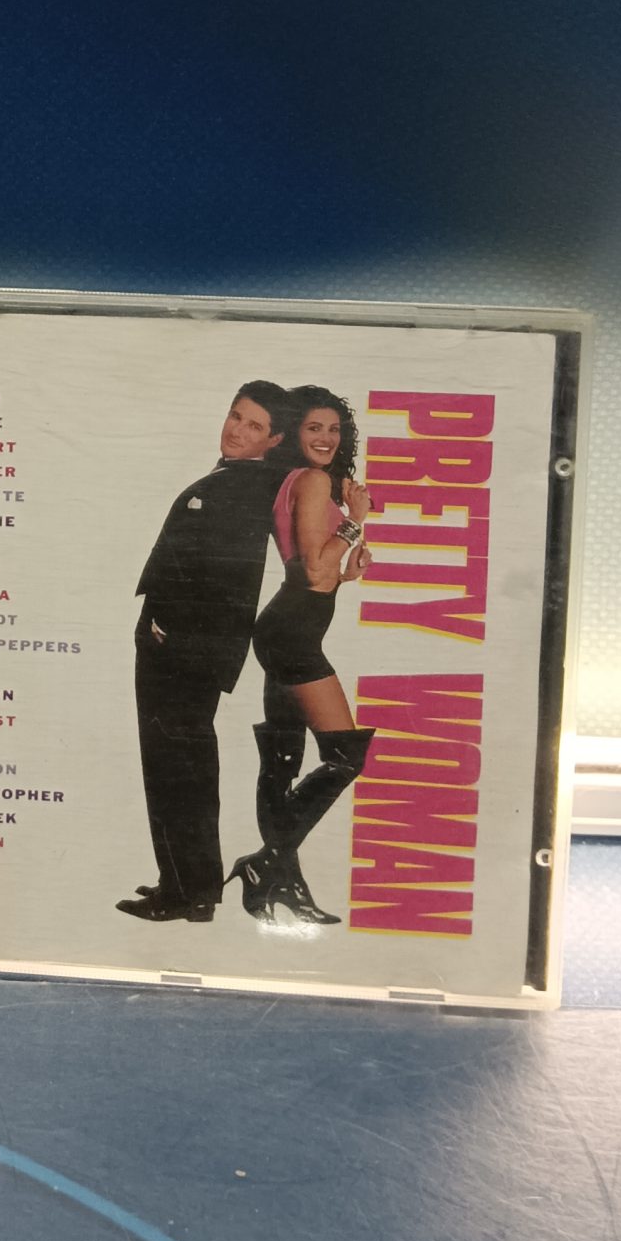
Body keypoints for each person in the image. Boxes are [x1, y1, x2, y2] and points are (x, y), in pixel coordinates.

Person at [118, 382, 289, 925]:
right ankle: (190, 885)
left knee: (174, 768)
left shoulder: (245, 486)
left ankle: (184, 891)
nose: (237, 430)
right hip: (187, 647)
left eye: (254, 425)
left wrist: (168, 629)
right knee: (183, 767)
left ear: (274, 440)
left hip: (181, 650)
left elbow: (222, 579)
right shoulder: (240, 480)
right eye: (236, 416)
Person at [229, 385, 375, 926]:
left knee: (282, 762)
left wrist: (347, 571)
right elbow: (314, 569)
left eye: (335, 429)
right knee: (345, 757)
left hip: (286, 626)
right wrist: (355, 520)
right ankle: (265, 862)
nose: (326, 438)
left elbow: (315, 569)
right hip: (293, 635)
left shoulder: (294, 480)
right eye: (315, 428)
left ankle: (281, 884)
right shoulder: (313, 482)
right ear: (294, 434)